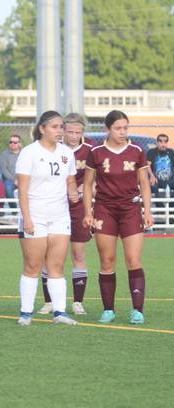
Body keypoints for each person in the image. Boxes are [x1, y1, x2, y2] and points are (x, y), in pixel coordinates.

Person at [84, 110, 153, 325]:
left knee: (133, 260)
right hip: (105, 209)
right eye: (118, 128)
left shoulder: (137, 151)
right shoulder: (96, 152)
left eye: (125, 128)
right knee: (107, 261)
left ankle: (137, 311)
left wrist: (147, 211)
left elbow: (144, 183)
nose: (122, 132)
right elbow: (87, 184)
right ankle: (108, 310)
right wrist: (88, 211)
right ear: (108, 129)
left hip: (131, 209)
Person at [14, 111, 80, 326]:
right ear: (42, 129)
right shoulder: (29, 153)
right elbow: (22, 190)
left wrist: (72, 191)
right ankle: (26, 313)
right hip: (35, 215)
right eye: (55, 127)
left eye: (61, 126)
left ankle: (59, 312)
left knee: (57, 266)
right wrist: (28, 219)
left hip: (60, 216)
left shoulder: (66, 153)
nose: (59, 131)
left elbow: (70, 180)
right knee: (33, 265)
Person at [38, 113, 92, 315]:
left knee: (78, 253)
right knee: (48, 255)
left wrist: (83, 191)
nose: (73, 135)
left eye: (77, 132)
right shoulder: (52, 150)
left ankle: (77, 302)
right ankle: (49, 301)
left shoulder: (89, 151)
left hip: (78, 207)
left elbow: (95, 179)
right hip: (53, 206)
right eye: (69, 131)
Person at [146, 133, 174, 207]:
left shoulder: (171, 152)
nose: (163, 144)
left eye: (165, 141)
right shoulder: (152, 152)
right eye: (160, 141)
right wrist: (151, 176)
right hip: (156, 180)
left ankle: (171, 208)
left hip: (169, 180)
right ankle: (160, 207)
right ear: (157, 142)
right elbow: (147, 165)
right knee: (153, 185)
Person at [0, 134, 22, 209]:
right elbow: (4, 170)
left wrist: (21, 180)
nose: (12, 144)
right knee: (8, 189)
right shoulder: (4, 154)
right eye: (11, 142)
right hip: (9, 179)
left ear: (19, 144)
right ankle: (14, 209)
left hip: (23, 179)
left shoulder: (25, 153)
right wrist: (14, 180)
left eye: (15, 142)